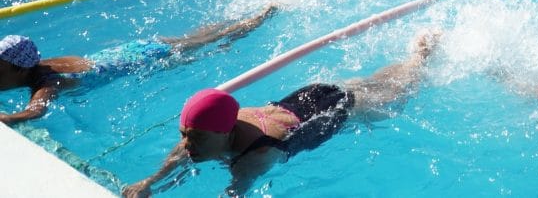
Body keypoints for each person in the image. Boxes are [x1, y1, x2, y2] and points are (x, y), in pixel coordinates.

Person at [122, 33, 435, 198]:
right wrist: (149, 182)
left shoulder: (255, 155)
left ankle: (420, 59)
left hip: (330, 112)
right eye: (185, 134)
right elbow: (180, 154)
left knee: (394, 100)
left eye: (198, 138)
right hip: (304, 96)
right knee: (368, 85)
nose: (188, 145)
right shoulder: (206, 133)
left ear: (226, 132)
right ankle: (410, 59)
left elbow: (235, 193)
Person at [0, 7, 275, 125]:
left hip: (145, 60)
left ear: (19, 68)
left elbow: (36, 110)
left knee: (213, 44)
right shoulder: (43, 63)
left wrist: (10, 118)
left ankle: (255, 20)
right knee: (198, 38)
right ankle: (241, 15)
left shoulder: (48, 83)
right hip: (133, 48)